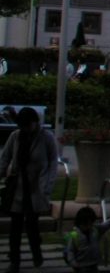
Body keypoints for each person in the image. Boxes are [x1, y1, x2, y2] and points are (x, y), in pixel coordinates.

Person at [0, 106, 59, 271]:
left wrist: (48, 185)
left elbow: (53, 161)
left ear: (35, 123)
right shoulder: (16, 136)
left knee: (32, 224)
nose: (25, 129)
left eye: (27, 125)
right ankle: (14, 260)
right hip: (18, 186)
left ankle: (36, 253)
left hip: (36, 187)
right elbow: (6, 157)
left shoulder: (46, 138)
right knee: (15, 225)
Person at [63, 206, 110, 273]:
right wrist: (74, 263)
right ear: (80, 223)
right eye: (86, 225)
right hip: (81, 266)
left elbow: (104, 226)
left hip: (93, 264)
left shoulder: (94, 230)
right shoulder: (74, 235)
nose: (89, 227)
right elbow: (70, 251)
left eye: (91, 224)